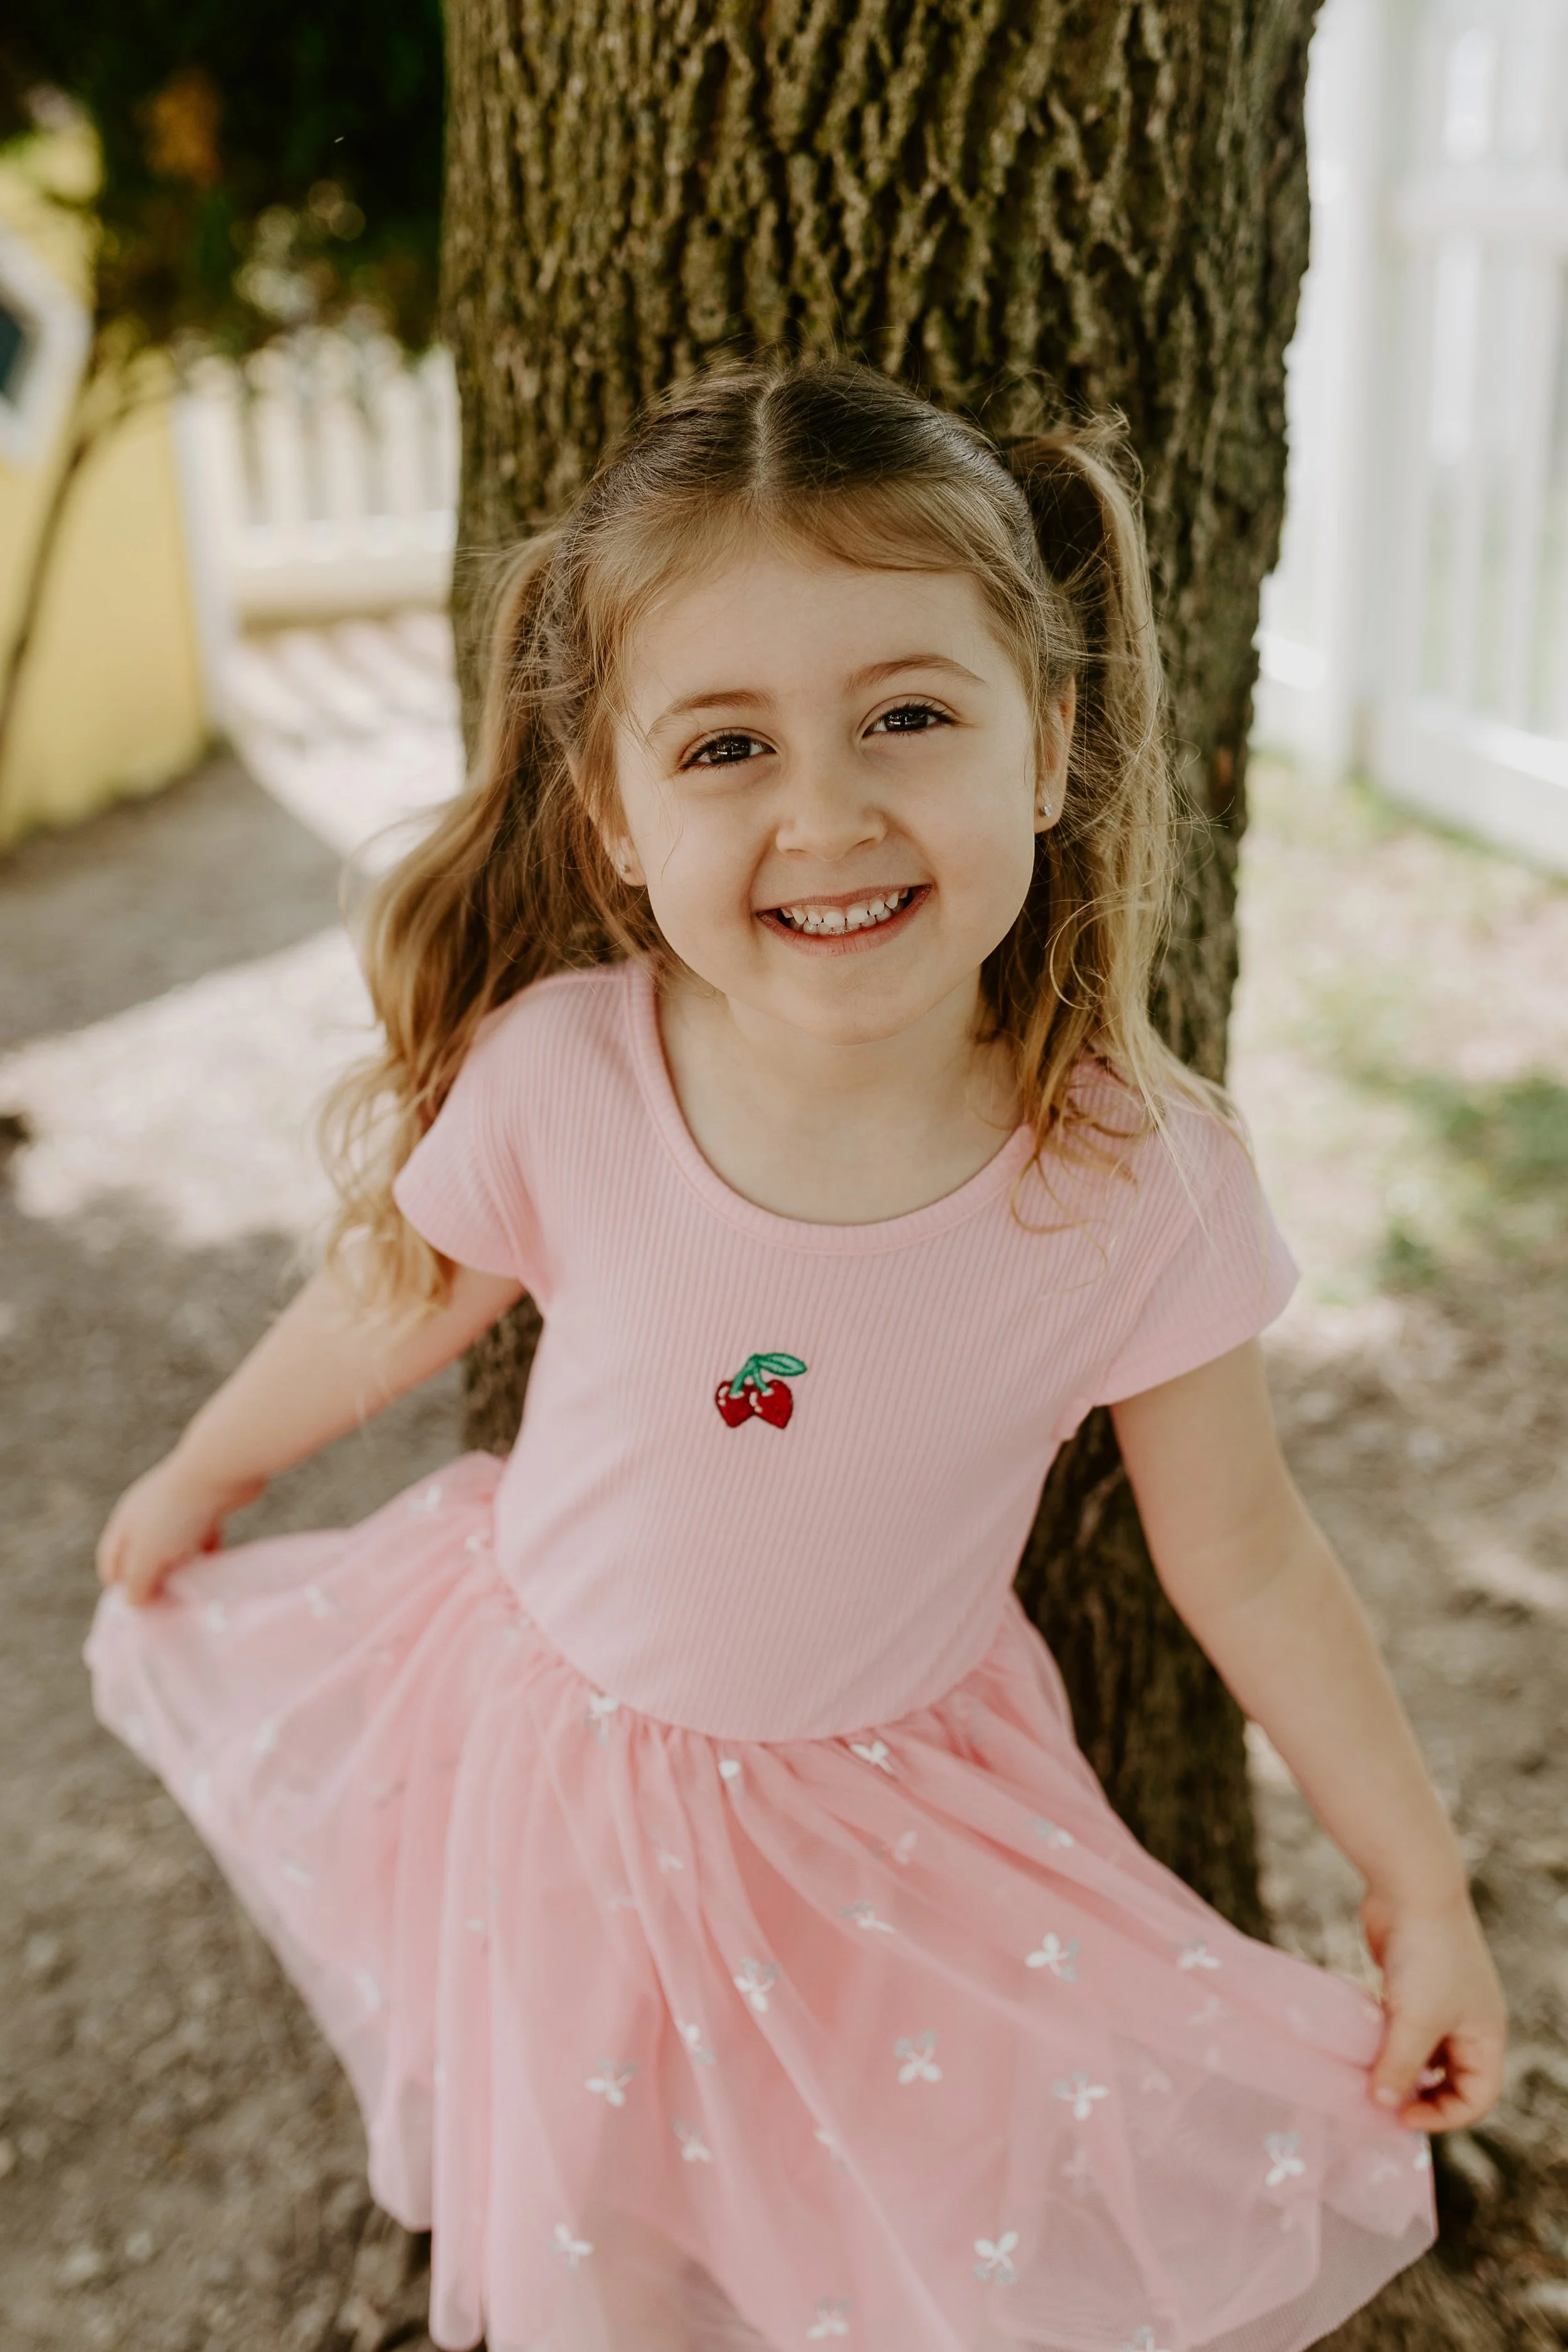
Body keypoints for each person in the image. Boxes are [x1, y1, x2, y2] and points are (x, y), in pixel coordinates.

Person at [89, 359, 1504, 2352]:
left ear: (1048, 744)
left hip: (897, 1850)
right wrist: (207, 1468)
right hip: (558, 1783)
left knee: (893, 2236)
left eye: (907, 716)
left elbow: (1246, 1550)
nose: (825, 815)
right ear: (615, 812)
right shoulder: (570, 1074)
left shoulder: (1132, 1181)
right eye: (726, 745)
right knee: (594, 2223)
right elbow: (398, 1294)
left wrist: (1414, 1880)